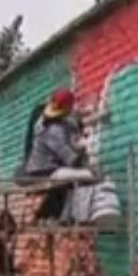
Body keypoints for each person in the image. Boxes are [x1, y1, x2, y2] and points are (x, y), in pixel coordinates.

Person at [22, 88, 87, 222]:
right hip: (44, 171)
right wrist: (83, 147)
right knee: (87, 177)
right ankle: (68, 217)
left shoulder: (47, 120)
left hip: (44, 169)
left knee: (70, 184)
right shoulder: (54, 129)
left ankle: (63, 216)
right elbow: (70, 159)